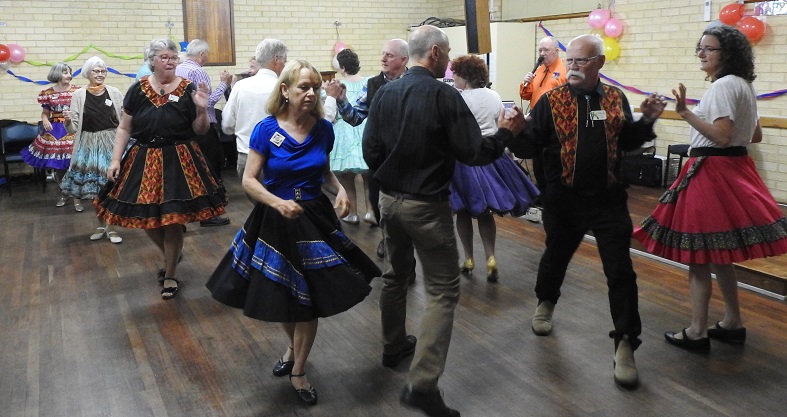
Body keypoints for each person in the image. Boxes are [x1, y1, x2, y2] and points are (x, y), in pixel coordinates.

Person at [363, 25, 525, 417]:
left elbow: (370, 151)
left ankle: (393, 346)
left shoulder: (386, 93)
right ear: (434, 52)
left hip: (389, 201)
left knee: (395, 275)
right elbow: (473, 153)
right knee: (442, 290)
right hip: (426, 206)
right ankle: (422, 385)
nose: (450, 62)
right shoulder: (443, 95)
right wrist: (505, 134)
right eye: (448, 53)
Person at [207, 60, 380, 406]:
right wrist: (277, 202)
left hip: (315, 217)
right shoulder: (266, 129)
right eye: (303, 87)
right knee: (285, 294)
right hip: (275, 218)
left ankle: (299, 369)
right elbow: (249, 180)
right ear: (285, 90)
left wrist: (340, 191)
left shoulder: (324, 129)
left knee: (309, 299)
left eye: (315, 87)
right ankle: (292, 347)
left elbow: (324, 172)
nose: (311, 93)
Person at [507, 34, 666, 389]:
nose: (574, 67)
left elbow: (627, 141)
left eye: (581, 61)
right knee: (556, 257)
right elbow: (530, 146)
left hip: (608, 200)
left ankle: (625, 343)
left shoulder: (615, 98)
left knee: (620, 272)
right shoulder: (551, 101)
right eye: (571, 61)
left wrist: (647, 121)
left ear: (599, 63)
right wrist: (516, 133)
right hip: (564, 200)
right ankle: (545, 302)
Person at [633, 26, 787, 352]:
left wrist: (685, 113)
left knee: (699, 255)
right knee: (720, 254)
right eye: (700, 48)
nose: (701, 54)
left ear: (726, 54)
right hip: (734, 168)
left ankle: (697, 331)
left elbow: (721, 136)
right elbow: (755, 135)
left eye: (709, 49)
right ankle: (732, 322)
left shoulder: (722, 86)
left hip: (712, 172)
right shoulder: (744, 85)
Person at [94, 38, 228, 300]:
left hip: (180, 158)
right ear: (152, 61)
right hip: (144, 156)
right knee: (145, 216)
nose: (170, 62)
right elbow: (124, 127)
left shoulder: (188, 88)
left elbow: (200, 131)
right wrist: (115, 159)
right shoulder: (138, 89)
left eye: (173, 57)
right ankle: (172, 254)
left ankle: (170, 273)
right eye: (164, 57)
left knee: (173, 219)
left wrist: (202, 111)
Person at [448, 54, 540, 282]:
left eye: (456, 75)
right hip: (492, 158)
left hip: (466, 161)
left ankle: (469, 258)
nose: (453, 79)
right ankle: (491, 258)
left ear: (464, 77)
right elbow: (501, 124)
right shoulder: (494, 95)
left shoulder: (457, 98)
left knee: (463, 212)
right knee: (485, 213)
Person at [325, 38, 409, 258]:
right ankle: (388, 241)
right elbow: (354, 117)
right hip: (384, 158)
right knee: (387, 205)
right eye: (382, 54)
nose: (383, 58)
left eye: (389, 55)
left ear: (404, 60)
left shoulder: (415, 82)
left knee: (411, 210)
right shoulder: (372, 84)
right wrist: (342, 100)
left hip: (411, 158)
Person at [61, 57, 124, 244]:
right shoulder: (78, 95)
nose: (100, 74)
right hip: (88, 145)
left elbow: (124, 119)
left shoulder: (114, 92)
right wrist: (67, 120)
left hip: (111, 143)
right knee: (95, 190)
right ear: (87, 73)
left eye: (103, 71)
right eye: (96, 71)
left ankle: (111, 226)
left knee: (111, 186)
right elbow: (72, 129)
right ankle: (100, 224)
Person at [176, 39, 232, 227]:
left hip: (185, 127)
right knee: (211, 168)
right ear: (201, 54)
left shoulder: (178, 70)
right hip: (203, 127)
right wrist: (224, 84)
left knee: (191, 170)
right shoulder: (198, 72)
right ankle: (208, 214)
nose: (208, 57)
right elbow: (208, 102)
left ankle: (186, 214)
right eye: (207, 54)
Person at [222, 39, 288, 180]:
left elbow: (227, 125)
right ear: (276, 59)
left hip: (246, 158)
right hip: (278, 157)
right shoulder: (283, 88)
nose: (285, 65)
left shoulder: (239, 87)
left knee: (254, 195)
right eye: (285, 61)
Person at [20, 62, 80, 209]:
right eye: (65, 72)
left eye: (70, 72)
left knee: (74, 165)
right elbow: (45, 113)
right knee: (59, 166)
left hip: (72, 128)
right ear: (57, 74)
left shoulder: (77, 91)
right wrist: (45, 119)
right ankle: (64, 193)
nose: (69, 75)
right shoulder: (48, 93)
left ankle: (77, 198)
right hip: (55, 130)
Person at [329, 49, 374, 225]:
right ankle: (371, 212)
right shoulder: (369, 82)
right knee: (368, 176)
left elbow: (332, 110)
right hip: (365, 128)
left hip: (344, 130)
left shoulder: (337, 85)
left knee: (346, 178)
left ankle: (352, 213)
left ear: (342, 67)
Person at [518, 36, 567, 195]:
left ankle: (553, 194)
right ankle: (541, 193)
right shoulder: (538, 70)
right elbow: (526, 95)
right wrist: (525, 82)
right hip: (536, 123)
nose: (542, 53)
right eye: (540, 50)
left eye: (545, 50)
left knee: (552, 163)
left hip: (555, 126)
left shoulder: (564, 70)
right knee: (537, 162)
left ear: (556, 51)